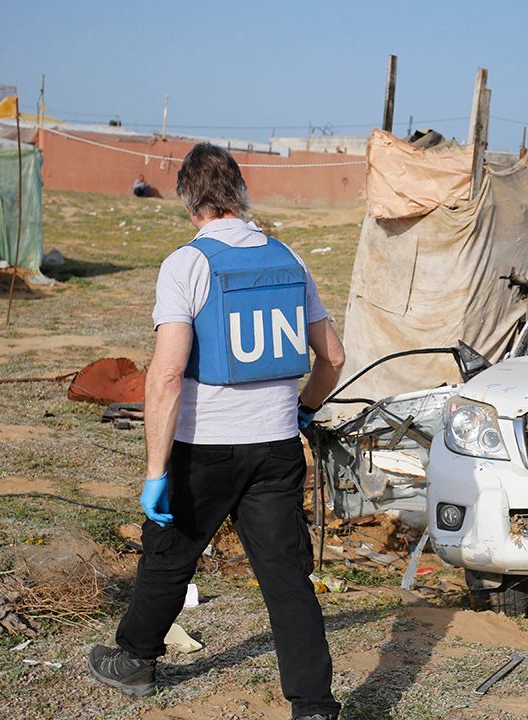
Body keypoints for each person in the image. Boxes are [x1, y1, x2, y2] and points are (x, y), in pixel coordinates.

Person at [89, 143, 346, 720]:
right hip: (276, 448)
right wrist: (303, 410)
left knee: (169, 554)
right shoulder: (289, 258)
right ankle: (313, 706)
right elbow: (332, 357)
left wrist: (155, 471)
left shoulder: (186, 265)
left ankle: (135, 660)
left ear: (189, 201)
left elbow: (167, 375)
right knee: (288, 580)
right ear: (240, 193)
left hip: (205, 448)